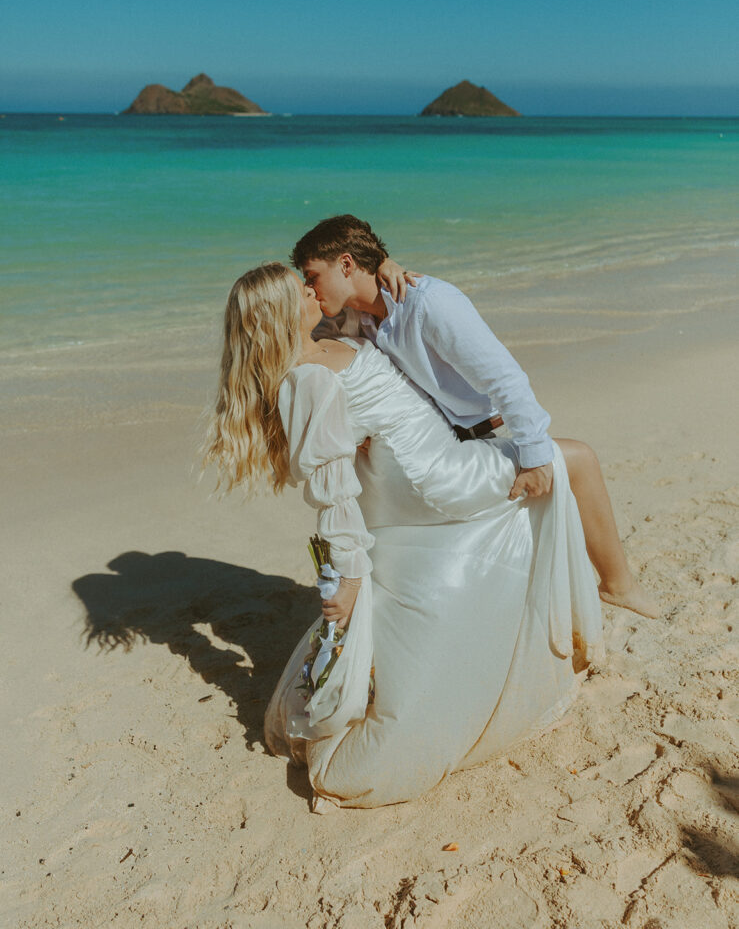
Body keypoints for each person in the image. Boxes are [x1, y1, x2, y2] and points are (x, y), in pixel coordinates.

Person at [204, 262, 605, 810]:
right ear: (279, 313)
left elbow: (364, 306)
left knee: (557, 472)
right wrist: (344, 574)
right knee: (571, 458)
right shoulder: (309, 379)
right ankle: (615, 588)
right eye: (299, 289)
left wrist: (381, 265)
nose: (309, 287)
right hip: (434, 478)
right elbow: (332, 490)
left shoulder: (323, 341)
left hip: (424, 464)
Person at [292, 215, 658, 619]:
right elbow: (301, 343)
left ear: (346, 265)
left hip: (488, 434)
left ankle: (618, 586)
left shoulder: (428, 302)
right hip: (440, 451)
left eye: (312, 276)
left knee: (580, 460)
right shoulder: (354, 319)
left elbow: (505, 378)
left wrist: (535, 455)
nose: (308, 288)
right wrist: (382, 261)